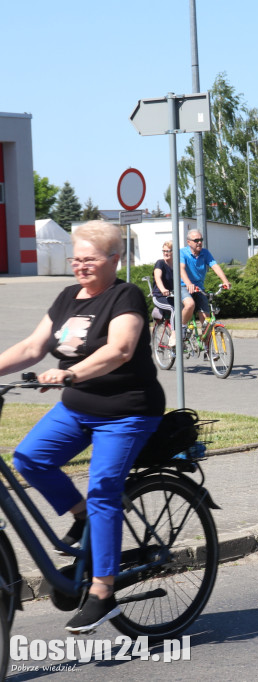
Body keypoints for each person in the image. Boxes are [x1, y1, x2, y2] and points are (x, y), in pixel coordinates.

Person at [0, 220, 166, 633]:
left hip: (126, 411)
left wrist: (71, 374)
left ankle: (102, 592)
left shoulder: (124, 295)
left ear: (115, 259)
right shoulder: (67, 297)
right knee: (29, 458)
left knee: (102, 488)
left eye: (89, 259)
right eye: (75, 258)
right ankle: (83, 517)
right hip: (77, 408)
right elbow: (32, 347)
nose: (80, 266)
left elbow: (121, 349)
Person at [179, 229, 231, 335]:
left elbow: (215, 266)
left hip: (199, 287)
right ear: (188, 242)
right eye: (196, 240)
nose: (199, 242)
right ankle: (181, 328)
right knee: (189, 305)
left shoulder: (205, 253)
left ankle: (208, 348)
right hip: (184, 286)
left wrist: (225, 281)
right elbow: (181, 269)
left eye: (201, 239)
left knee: (206, 321)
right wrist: (188, 283)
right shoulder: (182, 252)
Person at [152, 240, 194, 347]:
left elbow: (184, 277)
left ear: (174, 252)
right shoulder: (160, 263)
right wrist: (162, 289)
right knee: (174, 308)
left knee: (185, 308)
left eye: (168, 251)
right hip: (159, 296)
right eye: (164, 251)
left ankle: (182, 335)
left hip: (172, 296)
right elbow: (158, 277)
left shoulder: (176, 265)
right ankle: (175, 335)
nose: (165, 253)